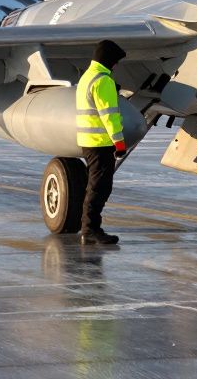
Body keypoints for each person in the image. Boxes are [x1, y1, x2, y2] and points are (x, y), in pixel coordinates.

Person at [76, 41, 128, 245]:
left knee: (95, 186)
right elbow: (110, 116)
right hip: (100, 142)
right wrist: (120, 143)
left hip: (89, 141)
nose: (116, 66)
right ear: (108, 60)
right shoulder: (103, 80)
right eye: (115, 62)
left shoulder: (87, 77)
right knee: (99, 187)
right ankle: (90, 230)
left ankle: (89, 229)